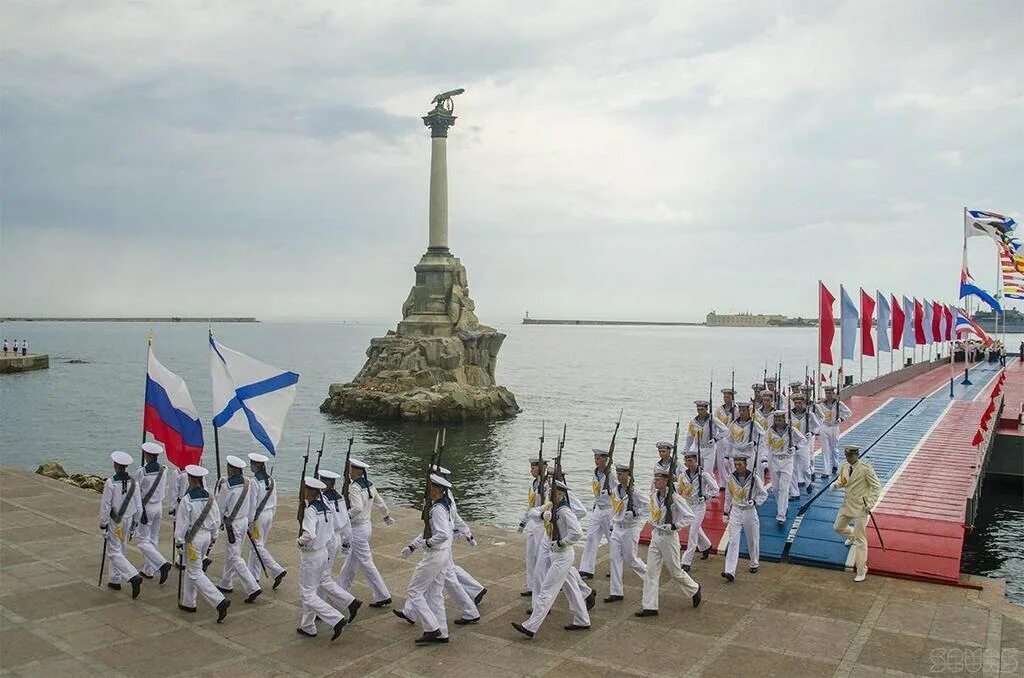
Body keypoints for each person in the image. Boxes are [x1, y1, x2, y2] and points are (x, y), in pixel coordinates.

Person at [394, 464, 481, 626]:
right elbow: (430, 528)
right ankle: (412, 613)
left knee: (436, 584)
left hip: (441, 549)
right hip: (442, 549)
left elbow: (449, 524)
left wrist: (467, 534)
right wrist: (413, 546)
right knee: (433, 587)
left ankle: (469, 610)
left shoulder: (443, 504)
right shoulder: (440, 501)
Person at [512, 480, 591, 638]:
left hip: (563, 555)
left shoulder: (564, 511)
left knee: (547, 590)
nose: (549, 494)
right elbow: (532, 512)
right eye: (549, 492)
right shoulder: (550, 506)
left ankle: (531, 626)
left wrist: (562, 542)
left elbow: (577, 533)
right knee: (571, 588)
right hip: (556, 554)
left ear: (561, 494)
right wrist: (542, 515)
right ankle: (582, 619)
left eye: (552, 492)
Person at [635, 467, 702, 617]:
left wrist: (674, 525)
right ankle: (649, 606)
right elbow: (652, 512)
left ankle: (694, 588)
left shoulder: (675, 498)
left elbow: (690, 516)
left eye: (658, 479)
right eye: (655, 478)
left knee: (675, 572)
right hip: (656, 535)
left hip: (669, 538)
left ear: (666, 481)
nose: (655, 481)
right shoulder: (654, 496)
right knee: (651, 571)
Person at [399, 473, 456, 644]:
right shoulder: (442, 505)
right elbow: (427, 529)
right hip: (443, 554)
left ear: (437, 489)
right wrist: (413, 546)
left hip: (435, 554)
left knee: (414, 591)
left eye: (430, 486)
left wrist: (427, 544)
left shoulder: (437, 509)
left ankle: (432, 628)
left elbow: (442, 534)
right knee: (434, 594)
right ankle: (442, 632)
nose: (427, 489)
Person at [174, 464, 230, 622]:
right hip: (206, 536)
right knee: (192, 569)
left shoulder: (187, 499)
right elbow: (216, 520)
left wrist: (178, 542)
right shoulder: (211, 497)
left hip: (193, 540)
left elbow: (182, 524)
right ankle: (188, 602)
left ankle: (219, 601)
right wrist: (213, 538)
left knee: (195, 572)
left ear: (190, 479)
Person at [296, 476, 347, 641]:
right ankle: (308, 625)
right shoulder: (325, 507)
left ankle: (335, 618)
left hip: (311, 555)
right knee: (312, 589)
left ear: (310, 491)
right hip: (323, 552)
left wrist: (300, 541)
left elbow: (309, 534)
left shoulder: (311, 510)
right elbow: (331, 532)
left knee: (307, 594)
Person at [338, 458, 394, 608]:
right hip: (366, 527)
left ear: (357, 471)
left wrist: (344, 518)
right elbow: (380, 502)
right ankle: (341, 591)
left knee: (366, 563)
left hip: (357, 529)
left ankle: (383, 595)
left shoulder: (355, 487)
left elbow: (356, 508)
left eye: (352, 469)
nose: (350, 471)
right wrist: (386, 515)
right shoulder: (369, 485)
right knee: (350, 563)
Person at [316, 469, 363, 622]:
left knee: (322, 577)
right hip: (336, 538)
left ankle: (350, 601)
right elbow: (346, 523)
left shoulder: (323, 498)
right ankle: (319, 608)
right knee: (324, 575)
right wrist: (346, 542)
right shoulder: (340, 497)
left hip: (327, 538)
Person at [215, 456, 262, 603]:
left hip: (232, 524)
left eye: (229, 468)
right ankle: (226, 582)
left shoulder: (227, 486)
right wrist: (249, 521)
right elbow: (253, 503)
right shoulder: (249, 482)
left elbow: (220, 507)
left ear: (232, 469)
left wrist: (218, 524)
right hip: (243, 521)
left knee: (234, 557)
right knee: (233, 553)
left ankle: (252, 587)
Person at [834, 445, 882, 582]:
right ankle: (852, 535)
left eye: (850, 456)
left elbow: (876, 486)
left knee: (861, 539)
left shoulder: (865, 469)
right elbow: (843, 480)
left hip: (861, 506)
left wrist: (871, 503)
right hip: (847, 503)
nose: (848, 458)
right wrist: (837, 485)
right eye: (846, 455)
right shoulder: (844, 466)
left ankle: (862, 569)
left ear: (856, 455)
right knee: (837, 527)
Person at [100, 451, 144, 598]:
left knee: (113, 551)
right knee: (122, 547)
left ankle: (132, 576)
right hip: (129, 518)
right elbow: (138, 504)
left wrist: (103, 523)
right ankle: (114, 578)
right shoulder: (134, 482)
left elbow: (106, 505)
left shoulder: (111, 482)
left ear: (116, 465)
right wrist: (136, 522)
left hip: (115, 520)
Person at [721, 444, 768, 582]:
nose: (737, 466)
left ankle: (754, 562)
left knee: (752, 539)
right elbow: (728, 496)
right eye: (735, 464)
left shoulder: (754, 478)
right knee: (733, 541)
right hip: (736, 511)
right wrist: (725, 511)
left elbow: (763, 494)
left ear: (746, 464)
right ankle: (729, 571)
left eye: (740, 464)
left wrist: (754, 501)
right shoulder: (731, 479)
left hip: (749, 511)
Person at [604, 462, 647, 602]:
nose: (619, 476)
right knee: (614, 558)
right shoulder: (616, 490)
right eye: (618, 473)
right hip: (617, 528)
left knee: (631, 559)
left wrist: (636, 512)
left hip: (630, 529)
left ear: (629, 475)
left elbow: (649, 506)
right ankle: (616, 592)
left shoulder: (635, 492)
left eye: (622, 474)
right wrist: (611, 523)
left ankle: (649, 577)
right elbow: (614, 508)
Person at [246, 453, 287, 589]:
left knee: (257, 546)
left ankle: (277, 570)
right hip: (269, 514)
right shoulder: (271, 480)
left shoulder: (254, 482)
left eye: (252, 463)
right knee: (258, 546)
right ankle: (254, 576)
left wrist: (250, 521)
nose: (251, 465)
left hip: (258, 517)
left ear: (256, 465)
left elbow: (252, 503)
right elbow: (274, 501)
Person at [133, 441, 172, 584]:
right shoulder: (164, 469)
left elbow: (135, 491)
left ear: (147, 455)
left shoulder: (142, 472)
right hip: (159, 506)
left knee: (143, 540)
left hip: (146, 507)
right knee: (153, 538)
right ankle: (148, 569)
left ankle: (161, 563)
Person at [761, 410, 806, 526]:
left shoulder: (791, 430)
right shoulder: (770, 431)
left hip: (787, 460)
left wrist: (795, 447)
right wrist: (764, 458)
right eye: (776, 419)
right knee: (775, 488)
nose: (778, 422)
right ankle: (782, 506)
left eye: (780, 419)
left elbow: (803, 440)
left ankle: (781, 515)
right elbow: (764, 444)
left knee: (784, 488)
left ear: (784, 419)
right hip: (774, 460)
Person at [579, 448, 616, 580]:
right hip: (598, 509)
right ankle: (586, 569)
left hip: (609, 510)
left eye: (599, 458)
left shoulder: (611, 475)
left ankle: (615, 568)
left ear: (606, 460)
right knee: (591, 537)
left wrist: (610, 492)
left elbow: (620, 490)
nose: (596, 461)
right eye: (595, 458)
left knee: (613, 540)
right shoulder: (596, 473)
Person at [678, 451, 719, 571]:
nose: (688, 463)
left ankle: (686, 561)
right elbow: (680, 489)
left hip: (699, 506)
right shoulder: (683, 475)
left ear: (696, 461)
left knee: (692, 533)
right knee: (693, 529)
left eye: (690, 461)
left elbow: (715, 488)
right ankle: (706, 546)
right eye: (686, 461)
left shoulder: (704, 475)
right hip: (687, 505)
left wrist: (706, 496)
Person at [518, 457, 548, 598]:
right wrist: (523, 522)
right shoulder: (534, 484)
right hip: (532, 523)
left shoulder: (547, 485)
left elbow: (548, 505)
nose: (531, 470)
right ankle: (531, 586)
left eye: (534, 468)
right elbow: (530, 505)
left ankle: (541, 586)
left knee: (541, 557)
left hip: (542, 524)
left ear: (541, 468)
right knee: (530, 556)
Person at [684, 401, 724, 485]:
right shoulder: (693, 422)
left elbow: (725, 430)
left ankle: (711, 490)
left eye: (702, 409)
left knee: (707, 473)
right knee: (697, 470)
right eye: (698, 409)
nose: (700, 411)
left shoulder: (712, 419)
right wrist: (686, 451)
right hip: (697, 448)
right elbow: (689, 437)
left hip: (709, 448)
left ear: (706, 409)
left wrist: (716, 439)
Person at [815, 385, 852, 477]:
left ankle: (835, 465)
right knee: (825, 449)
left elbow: (848, 413)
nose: (828, 395)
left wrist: (841, 419)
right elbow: (815, 414)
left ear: (833, 393)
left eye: (830, 393)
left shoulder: (838, 403)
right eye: (826, 393)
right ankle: (826, 471)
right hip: (824, 427)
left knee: (834, 448)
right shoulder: (821, 404)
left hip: (834, 427)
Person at [789, 393, 822, 492]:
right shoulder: (789, 414)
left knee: (805, 466)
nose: (797, 405)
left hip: (804, 443)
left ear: (803, 403)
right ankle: (794, 491)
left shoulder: (809, 414)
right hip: (793, 443)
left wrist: (812, 432)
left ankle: (808, 483)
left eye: (799, 403)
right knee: (793, 468)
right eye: (796, 403)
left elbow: (817, 426)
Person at [730, 401, 766, 483]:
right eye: (740, 410)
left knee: (751, 474)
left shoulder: (754, 423)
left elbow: (763, 436)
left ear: (748, 411)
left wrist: (755, 443)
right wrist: (727, 455)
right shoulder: (734, 424)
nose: (741, 412)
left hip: (748, 452)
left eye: (744, 410)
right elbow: (730, 439)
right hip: (737, 452)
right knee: (736, 476)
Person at [714, 388, 738, 487]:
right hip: (721, 437)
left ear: (732, 398)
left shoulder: (736, 410)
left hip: (732, 437)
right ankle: (723, 482)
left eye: (728, 397)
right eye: (724, 397)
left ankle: (733, 479)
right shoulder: (719, 410)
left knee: (731, 460)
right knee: (720, 461)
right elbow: (715, 422)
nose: (725, 398)